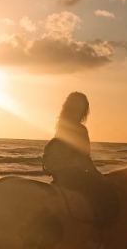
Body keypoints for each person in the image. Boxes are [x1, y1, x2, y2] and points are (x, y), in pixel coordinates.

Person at [42, 92, 119, 234]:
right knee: (106, 193)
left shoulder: (61, 125)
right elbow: (84, 158)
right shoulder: (80, 130)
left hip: (58, 175)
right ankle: (99, 234)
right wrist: (99, 176)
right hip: (72, 175)